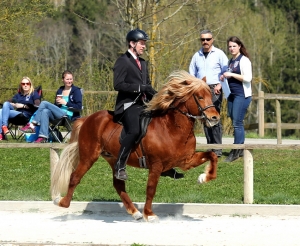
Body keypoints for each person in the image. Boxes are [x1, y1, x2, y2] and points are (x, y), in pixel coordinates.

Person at [113, 28, 184, 181]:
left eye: (144, 44)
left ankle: (165, 166)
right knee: (134, 129)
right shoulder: (122, 61)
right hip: (127, 105)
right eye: (141, 43)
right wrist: (139, 88)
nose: (144, 46)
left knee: (162, 124)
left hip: (143, 104)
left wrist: (162, 98)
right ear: (132, 44)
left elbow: (148, 86)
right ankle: (119, 165)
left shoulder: (143, 63)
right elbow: (118, 84)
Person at [189, 30, 228, 157]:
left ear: (212, 40)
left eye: (208, 39)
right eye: (203, 40)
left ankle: (217, 149)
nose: (205, 42)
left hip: (215, 88)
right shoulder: (197, 55)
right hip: (201, 89)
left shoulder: (219, 54)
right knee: (205, 118)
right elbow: (191, 74)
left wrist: (220, 85)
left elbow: (226, 71)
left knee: (214, 117)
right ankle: (210, 147)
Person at [20, 70, 82, 143]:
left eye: (71, 79)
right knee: (45, 111)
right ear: (63, 80)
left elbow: (79, 107)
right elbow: (55, 106)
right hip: (58, 115)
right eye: (67, 79)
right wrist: (57, 103)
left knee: (44, 103)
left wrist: (66, 103)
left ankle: (32, 125)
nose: (69, 81)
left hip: (68, 116)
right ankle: (43, 137)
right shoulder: (60, 90)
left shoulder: (76, 91)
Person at [220, 36, 252, 162]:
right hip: (232, 95)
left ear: (239, 46)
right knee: (236, 121)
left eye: (234, 46)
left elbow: (248, 78)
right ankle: (241, 148)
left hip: (242, 95)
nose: (232, 48)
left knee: (237, 123)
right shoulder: (230, 61)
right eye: (230, 46)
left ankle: (235, 151)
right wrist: (224, 78)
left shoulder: (244, 60)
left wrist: (231, 74)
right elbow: (230, 77)